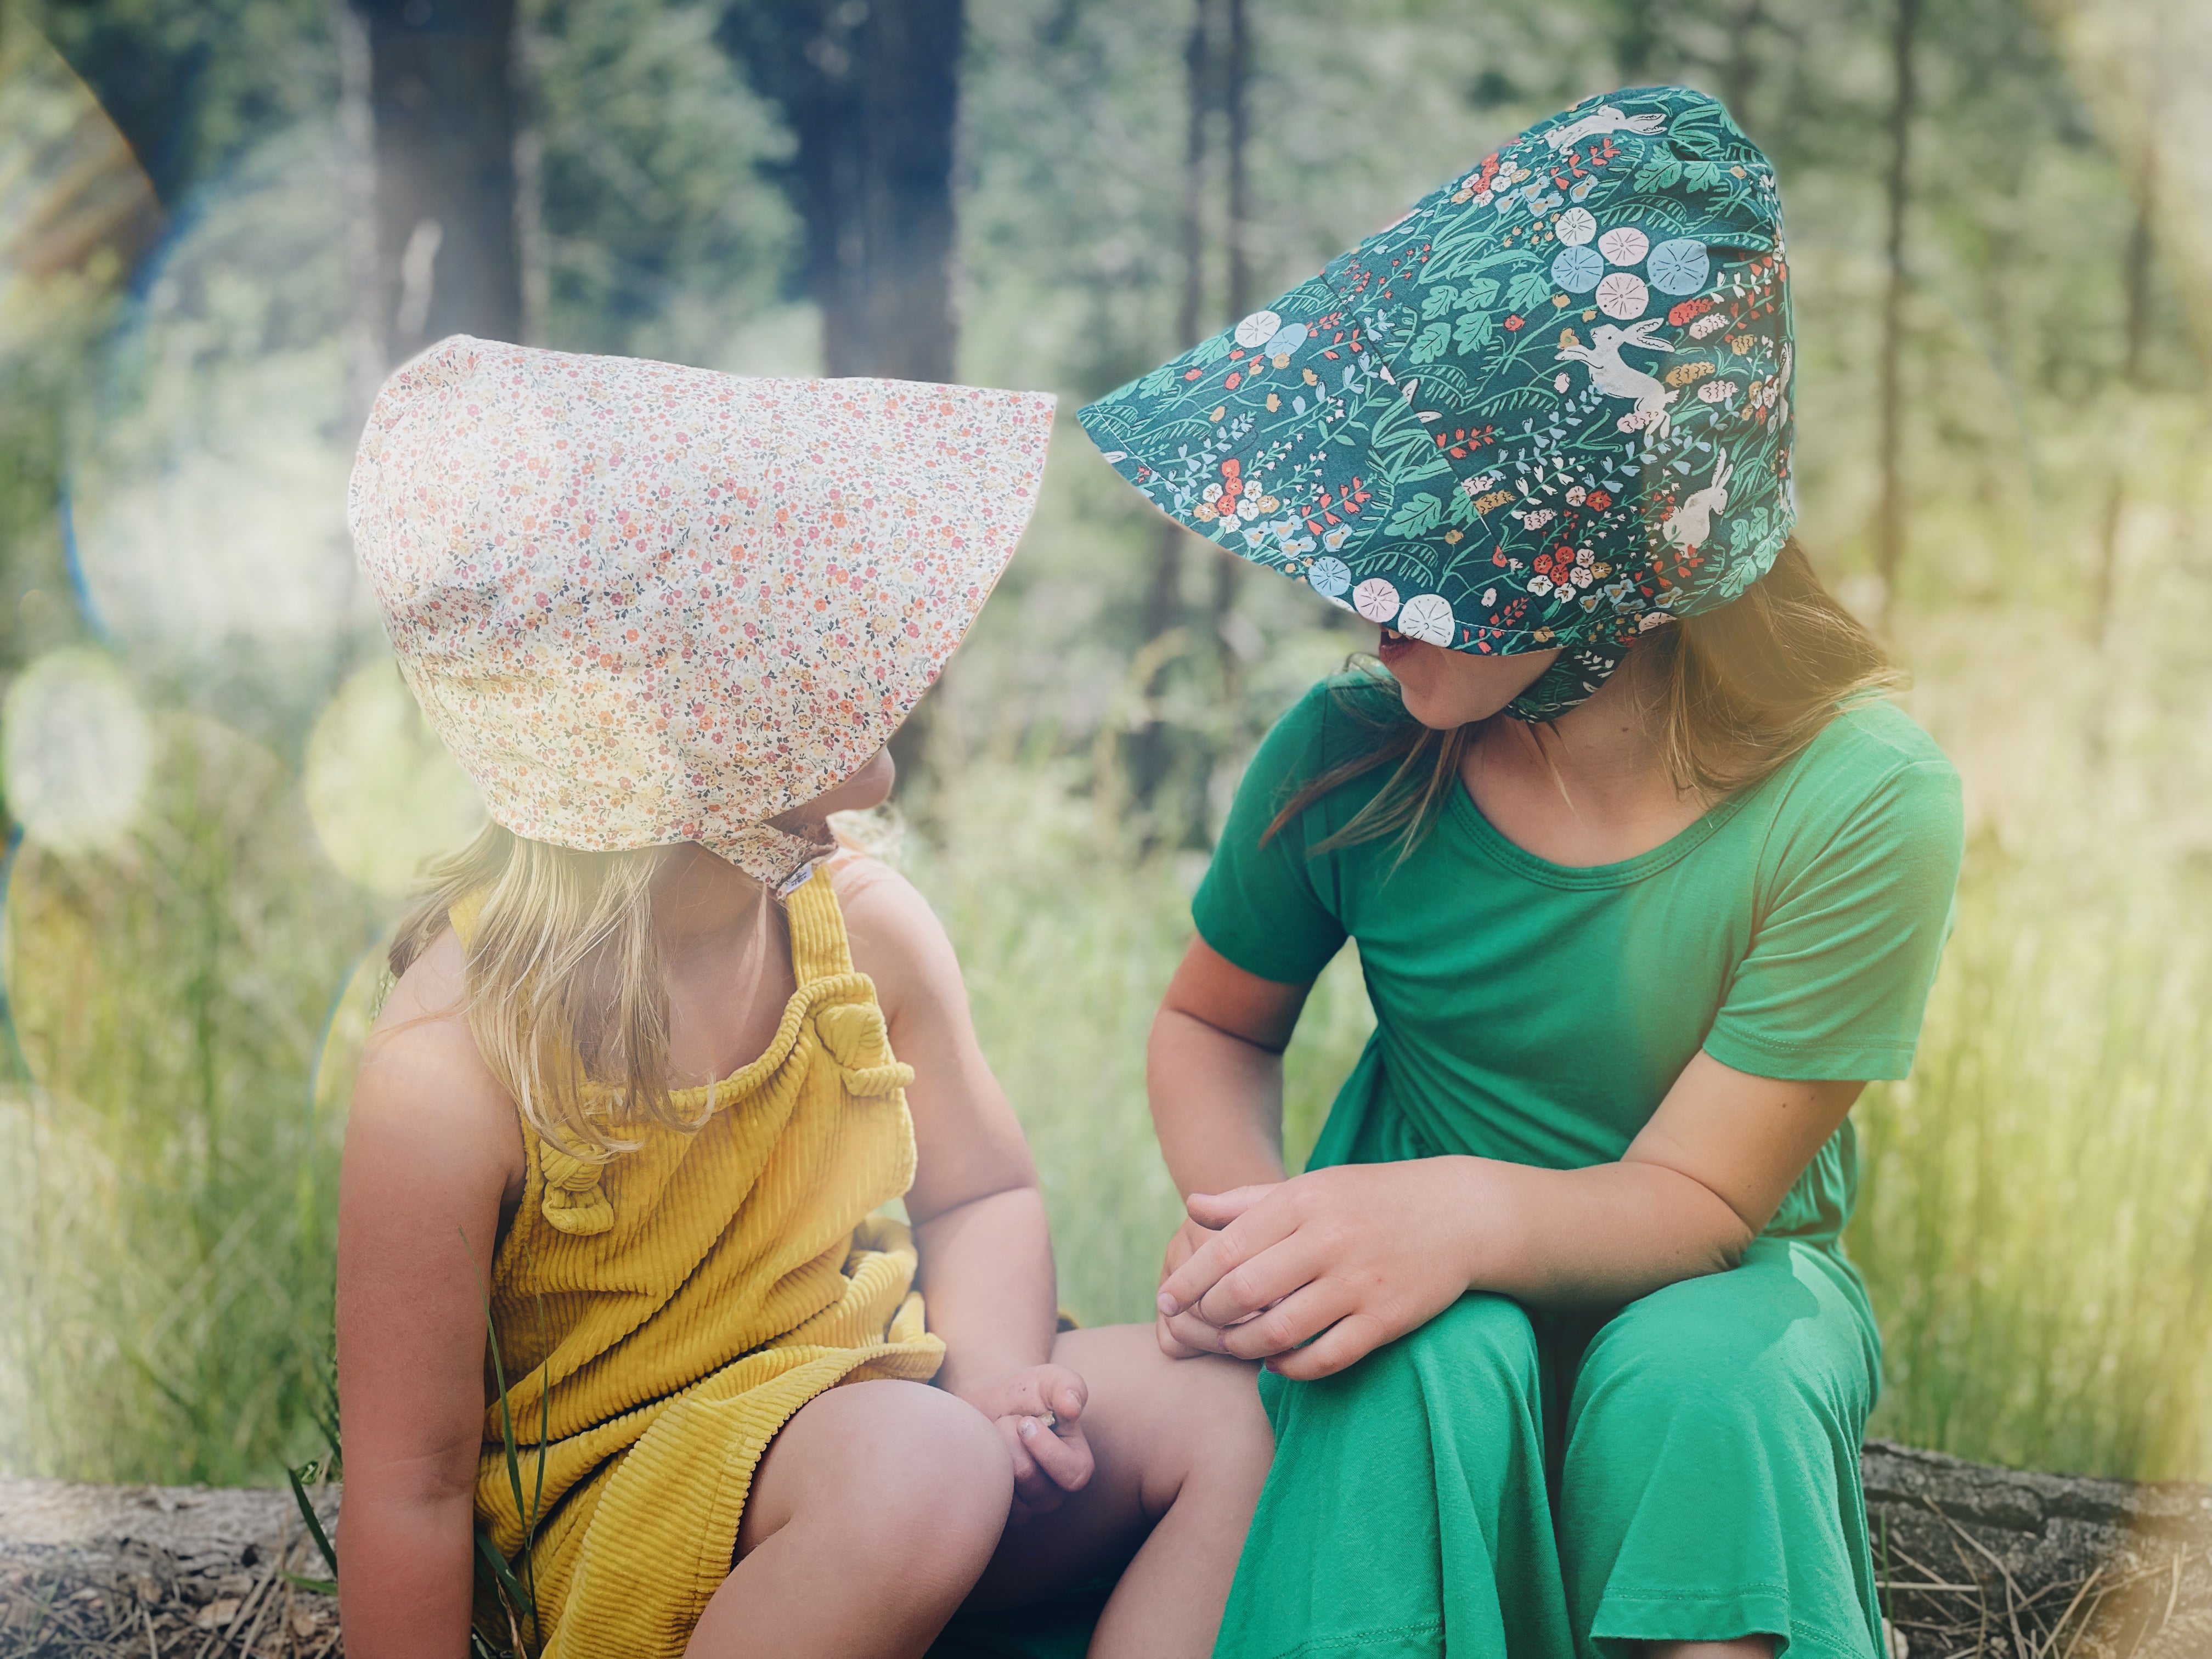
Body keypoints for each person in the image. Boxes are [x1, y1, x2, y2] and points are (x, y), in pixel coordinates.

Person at [1078, 86, 1962, 1659]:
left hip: (1722, 1275)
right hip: (1409, 1277)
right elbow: (1216, 1021)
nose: (1367, 600)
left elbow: (1699, 1205)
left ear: (1618, 561)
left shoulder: (1860, 801)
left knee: (1712, 1386)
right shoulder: (1353, 756)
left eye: (1429, 564)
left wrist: (1457, 1217)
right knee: (1414, 1361)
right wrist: (1259, 1223)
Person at [335, 338, 1272, 1659]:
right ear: (692, 716)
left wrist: (1002, 1381)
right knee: (917, 1468)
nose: (885, 641)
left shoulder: (864, 934)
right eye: (819, 623)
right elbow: (408, 1487)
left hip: (890, 1412)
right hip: (645, 1505)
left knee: (1235, 1411)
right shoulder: (456, 1063)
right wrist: (943, 1441)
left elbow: (981, 1192)